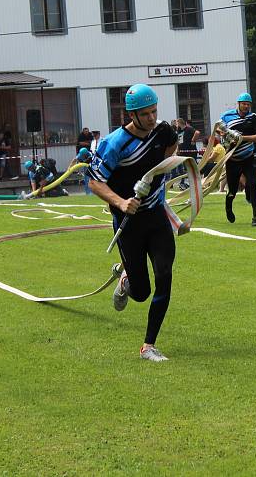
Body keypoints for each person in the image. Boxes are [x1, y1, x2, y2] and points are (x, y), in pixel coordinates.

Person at [87, 83, 179, 363]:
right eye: (146, 114)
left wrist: (160, 174)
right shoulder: (114, 143)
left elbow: (172, 148)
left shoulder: (162, 131)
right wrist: (120, 202)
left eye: (154, 111)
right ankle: (127, 278)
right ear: (132, 114)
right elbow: (93, 181)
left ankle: (148, 346)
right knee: (142, 293)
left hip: (156, 217)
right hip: (129, 224)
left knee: (165, 274)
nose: (152, 118)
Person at [216, 92, 256, 226]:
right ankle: (228, 207)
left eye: (248, 104)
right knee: (232, 190)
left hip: (248, 158)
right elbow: (218, 127)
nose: (246, 106)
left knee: (254, 184)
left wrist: (242, 138)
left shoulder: (253, 117)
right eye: (244, 104)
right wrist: (223, 134)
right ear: (238, 104)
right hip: (233, 159)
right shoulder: (227, 116)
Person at [175, 118, 200, 190]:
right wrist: (178, 149)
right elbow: (178, 141)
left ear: (180, 123)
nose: (176, 125)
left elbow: (197, 132)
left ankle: (195, 183)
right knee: (183, 169)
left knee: (192, 168)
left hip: (190, 152)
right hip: (182, 152)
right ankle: (183, 183)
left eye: (177, 124)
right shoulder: (179, 131)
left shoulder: (189, 129)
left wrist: (193, 140)